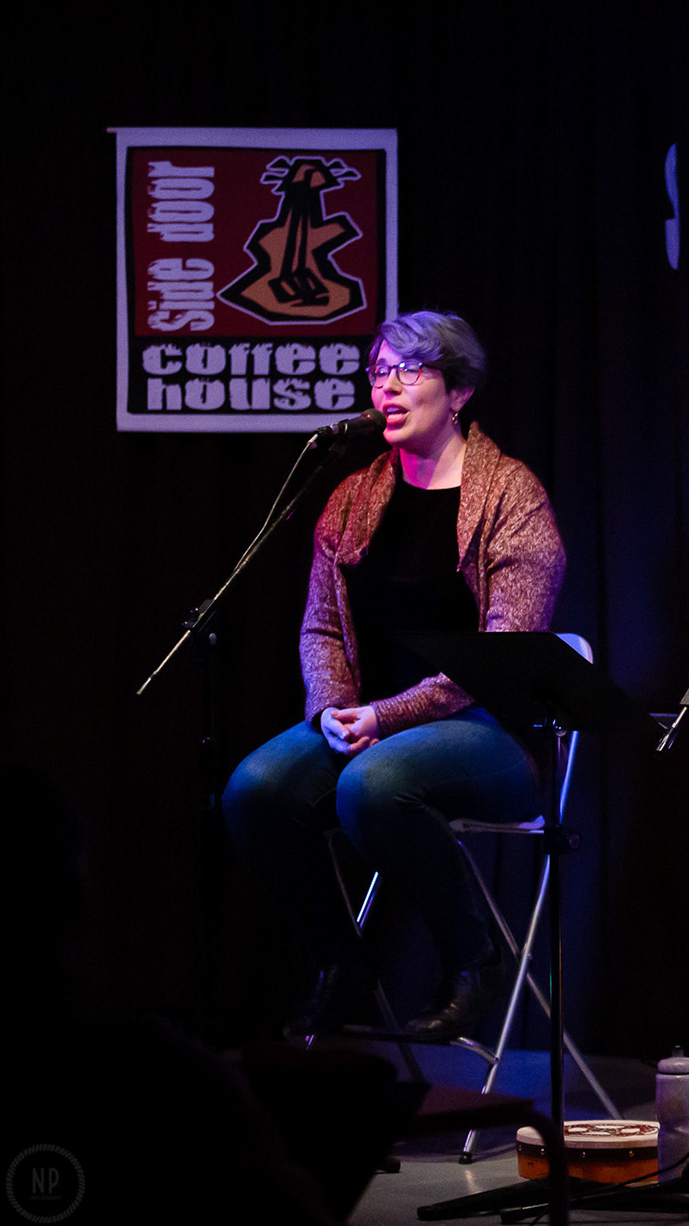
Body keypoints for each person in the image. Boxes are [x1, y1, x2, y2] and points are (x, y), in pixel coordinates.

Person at [223, 310, 565, 1043]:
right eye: (379, 371)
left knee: (371, 785)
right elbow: (321, 627)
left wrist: (388, 717)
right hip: (368, 722)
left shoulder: (512, 496)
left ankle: (475, 960)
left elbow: (501, 652)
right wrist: (332, 709)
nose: (387, 387)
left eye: (410, 370)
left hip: (488, 729)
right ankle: (340, 961)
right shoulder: (352, 497)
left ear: (460, 390)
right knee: (255, 790)